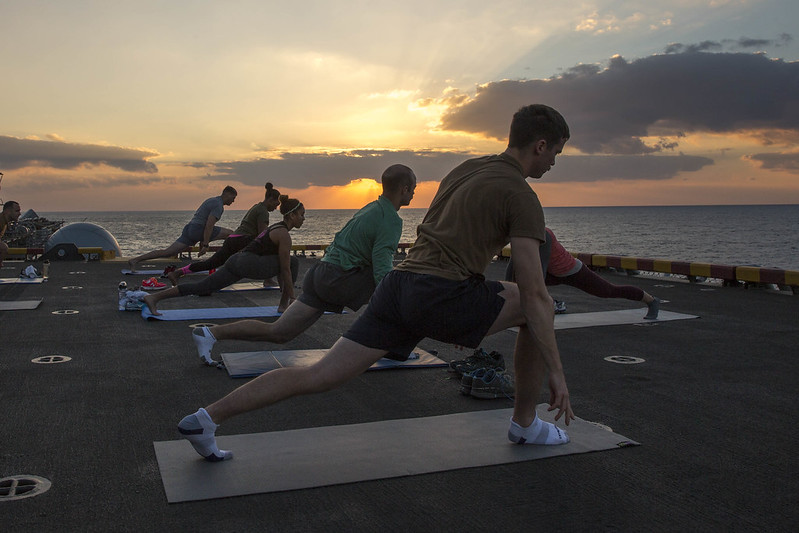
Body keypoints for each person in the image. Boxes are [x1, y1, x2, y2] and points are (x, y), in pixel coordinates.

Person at [176, 104, 574, 462]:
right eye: (556, 152)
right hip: (437, 293)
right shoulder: (522, 196)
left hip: (397, 288)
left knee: (320, 375)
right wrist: (555, 372)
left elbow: (441, 235)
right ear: (540, 145)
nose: (555, 162)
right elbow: (536, 291)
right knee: (530, 304)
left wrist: (460, 314)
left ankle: (206, 418)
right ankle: (525, 424)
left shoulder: (465, 169)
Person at [191, 164, 417, 365]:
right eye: (413, 188)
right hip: (336, 280)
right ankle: (393, 347)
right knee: (402, 290)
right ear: (404, 189)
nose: (415, 193)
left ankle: (210, 334)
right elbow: (381, 268)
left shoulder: (370, 208)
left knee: (279, 332)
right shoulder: (391, 220)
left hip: (320, 274)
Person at [142, 195, 304, 317]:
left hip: (237, 260)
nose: (303, 219)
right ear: (292, 216)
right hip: (248, 263)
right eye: (302, 215)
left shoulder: (276, 228)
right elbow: (285, 269)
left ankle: (154, 298)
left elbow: (282, 269)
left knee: (203, 286)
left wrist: (287, 291)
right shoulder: (283, 235)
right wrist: (292, 297)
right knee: (293, 262)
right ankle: (285, 305)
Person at [504, 228, 659, 319]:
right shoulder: (521, 235)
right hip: (553, 273)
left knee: (608, 291)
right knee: (521, 280)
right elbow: (513, 266)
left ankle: (651, 301)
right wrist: (506, 295)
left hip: (572, 271)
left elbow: (540, 274)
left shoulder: (543, 236)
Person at [167, 183, 282, 286]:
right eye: (277, 203)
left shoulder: (257, 206)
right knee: (272, 248)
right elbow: (262, 235)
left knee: (212, 263)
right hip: (242, 240)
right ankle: (268, 279)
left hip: (233, 239)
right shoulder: (263, 212)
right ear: (271, 199)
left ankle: (177, 273)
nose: (277, 207)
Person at [128, 186, 238, 272]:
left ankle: (135, 260)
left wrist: (203, 242)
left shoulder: (211, 200)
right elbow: (209, 225)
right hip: (198, 229)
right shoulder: (218, 205)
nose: (233, 201)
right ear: (228, 194)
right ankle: (234, 262)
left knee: (168, 252)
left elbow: (203, 221)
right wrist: (205, 245)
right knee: (232, 235)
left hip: (190, 229)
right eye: (233, 198)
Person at [0, 200, 22, 268]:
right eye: (17, 211)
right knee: (4, 248)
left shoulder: (5, 222)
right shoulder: (1, 221)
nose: (20, 213)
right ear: (7, 211)